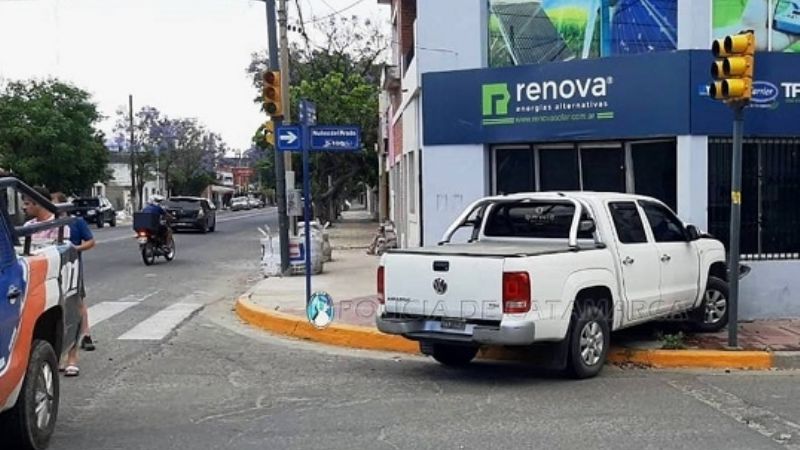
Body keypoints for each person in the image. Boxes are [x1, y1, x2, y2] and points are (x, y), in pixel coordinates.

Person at [52, 192, 96, 377]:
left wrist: (75, 249)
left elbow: (91, 242)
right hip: (54, 269)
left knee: (77, 303)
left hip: (72, 267)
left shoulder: (76, 222)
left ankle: (85, 334)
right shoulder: (48, 223)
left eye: (54, 203)